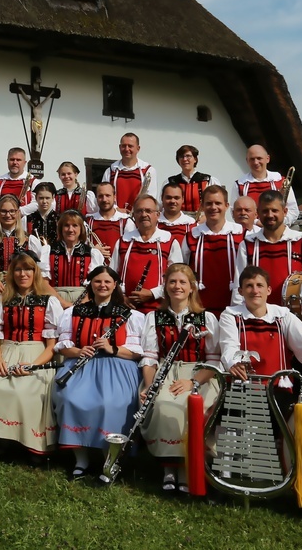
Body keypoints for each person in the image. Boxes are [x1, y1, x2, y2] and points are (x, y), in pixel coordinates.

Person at [52, 265, 145, 479]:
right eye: (97, 281)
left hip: (118, 366)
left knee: (111, 403)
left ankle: (109, 456)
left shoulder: (130, 315)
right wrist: (78, 351)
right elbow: (62, 346)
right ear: (90, 284)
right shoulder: (73, 312)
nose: (102, 285)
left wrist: (113, 349)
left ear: (115, 285)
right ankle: (81, 458)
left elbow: (137, 352)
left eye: (107, 282)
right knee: (69, 398)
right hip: (81, 365)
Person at [137, 264, 220, 492]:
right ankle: (169, 469)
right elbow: (150, 357)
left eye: (183, 282)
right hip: (165, 371)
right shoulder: (154, 317)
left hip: (199, 374)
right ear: (165, 287)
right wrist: (150, 385)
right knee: (162, 403)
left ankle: (186, 468)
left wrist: (192, 382)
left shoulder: (207, 318)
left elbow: (214, 361)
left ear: (192, 287)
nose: (177, 286)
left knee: (189, 405)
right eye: (172, 282)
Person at [0, 253, 63, 456]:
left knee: (26, 389)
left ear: (35, 272)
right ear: (11, 273)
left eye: (27, 269)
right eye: (18, 269)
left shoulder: (48, 301)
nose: (22, 274)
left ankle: (30, 442)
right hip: (6, 351)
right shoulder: (2, 300)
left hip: (36, 354)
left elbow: (51, 346)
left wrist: (33, 365)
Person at [234, 190, 302, 332]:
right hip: (258, 322)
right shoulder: (248, 244)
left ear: (284, 211)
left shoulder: (301, 242)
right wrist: (237, 321)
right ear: (258, 213)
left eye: (274, 210)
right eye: (265, 211)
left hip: (296, 325)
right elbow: (238, 287)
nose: (270, 215)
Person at [110, 195, 182, 313]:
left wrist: (152, 293)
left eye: (148, 211)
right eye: (139, 211)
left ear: (157, 215)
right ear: (134, 216)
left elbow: (178, 277)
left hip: (159, 309)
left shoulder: (169, 241)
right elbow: (111, 275)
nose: (144, 215)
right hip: (126, 308)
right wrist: (121, 297)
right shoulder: (123, 241)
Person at [182, 185, 245, 314]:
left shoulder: (241, 234)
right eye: (209, 203)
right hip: (199, 306)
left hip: (234, 306)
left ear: (226, 206)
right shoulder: (191, 236)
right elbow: (182, 270)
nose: (213, 207)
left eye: (218, 203)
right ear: (202, 206)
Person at [0, 194, 47, 297]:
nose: (8, 215)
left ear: (18, 212)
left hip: (22, 288)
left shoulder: (29, 240)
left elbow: (37, 269)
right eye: (4, 211)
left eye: (12, 211)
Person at [235, 144, 299, 225]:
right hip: (251, 230)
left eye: (259, 158)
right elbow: (234, 211)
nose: (256, 162)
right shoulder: (239, 184)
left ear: (267, 159)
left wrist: (278, 223)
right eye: (252, 159)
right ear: (247, 161)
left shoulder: (281, 181)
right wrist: (256, 223)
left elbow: (293, 210)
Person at [48, 211, 105, 301]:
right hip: (55, 299)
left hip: (84, 299)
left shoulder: (91, 253)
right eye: (66, 225)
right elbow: (43, 282)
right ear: (61, 228)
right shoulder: (48, 251)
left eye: (75, 225)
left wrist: (82, 304)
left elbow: (95, 283)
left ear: (81, 229)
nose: (70, 230)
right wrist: (62, 303)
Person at [102, 133, 156, 213]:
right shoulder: (110, 171)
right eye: (124, 146)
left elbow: (150, 198)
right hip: (115, 216)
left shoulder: (148, 171)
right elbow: (104, 194)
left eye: (130, 146)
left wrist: (135, 211)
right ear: (119, 147)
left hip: (139, 216)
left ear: (138, 148)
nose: (127, 149)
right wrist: (116, 209)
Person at [84, 182, 125, 260]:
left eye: (108, 195)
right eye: (100, 196)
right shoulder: (87, 221)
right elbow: (78, 247)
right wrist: (92, 250)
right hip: (94, 266)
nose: (104, 199)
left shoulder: (126, 220)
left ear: (114, 197)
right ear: (96, 198)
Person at [166, 145, 210, 215]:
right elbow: (162, 206)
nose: (185, 159)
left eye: (188, 156)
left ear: (195, 159)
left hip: (202, 219)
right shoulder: (170, 182)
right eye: (181, 156)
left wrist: (204, 217)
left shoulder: (208, 180)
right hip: (178, 220)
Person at [157, 183, 196, 247]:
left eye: (176, 198)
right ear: (162, 198)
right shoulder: (154, 222)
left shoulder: (191, 225)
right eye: (168, 197)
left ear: (182, 199)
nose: (172, 201)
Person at [23, 181, 59, 247]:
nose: (44, 201)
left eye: (47, 198)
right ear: (36, 198)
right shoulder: (27, 219)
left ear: (53, 197)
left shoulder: (59, 219)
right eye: (41, 198)